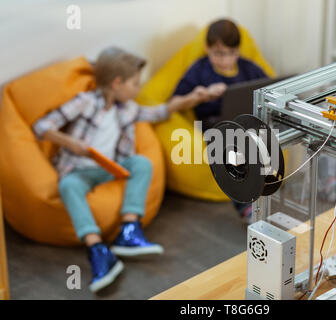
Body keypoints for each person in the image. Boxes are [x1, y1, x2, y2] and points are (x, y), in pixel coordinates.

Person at [32, 47, 200, 293]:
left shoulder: (128, 108)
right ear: (117, 82)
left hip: (111, 167)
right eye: (135, 83)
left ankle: (129, 229)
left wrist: (191, 98)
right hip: (80, 170)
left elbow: (159, 113)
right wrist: (71, 143)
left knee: (142, 163)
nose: (138, 89)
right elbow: (41, 126)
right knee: (67, 185)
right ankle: (98, 249)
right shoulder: (85, 102)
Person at [170, 18, 268, 223]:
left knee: (262, 138)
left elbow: (268, 88)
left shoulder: (248, 68)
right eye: (219, 54)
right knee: (230, 145)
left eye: (231, 53)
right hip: (214, 124)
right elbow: (175, 101)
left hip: (245, 119)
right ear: (207, 48)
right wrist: (200, 95)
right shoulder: (200, 70)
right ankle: (246, 205)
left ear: (238, 51)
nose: (225, 60)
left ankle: (265, 194)